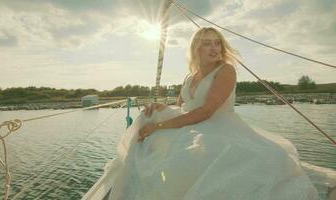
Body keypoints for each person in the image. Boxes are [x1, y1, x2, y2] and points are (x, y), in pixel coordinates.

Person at [97, 27, 318, 200]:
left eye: (217, 43)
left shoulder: (226, 71)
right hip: (193, 122)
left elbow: (205, 111)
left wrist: (160, 126)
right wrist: (160, 109)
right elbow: (183, 106)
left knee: (173, 146)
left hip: (217, 125)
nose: (214, 48)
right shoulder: (189, 76)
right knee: (147, 116)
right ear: (196, 48)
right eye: (206, 44)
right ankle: (128, 179)